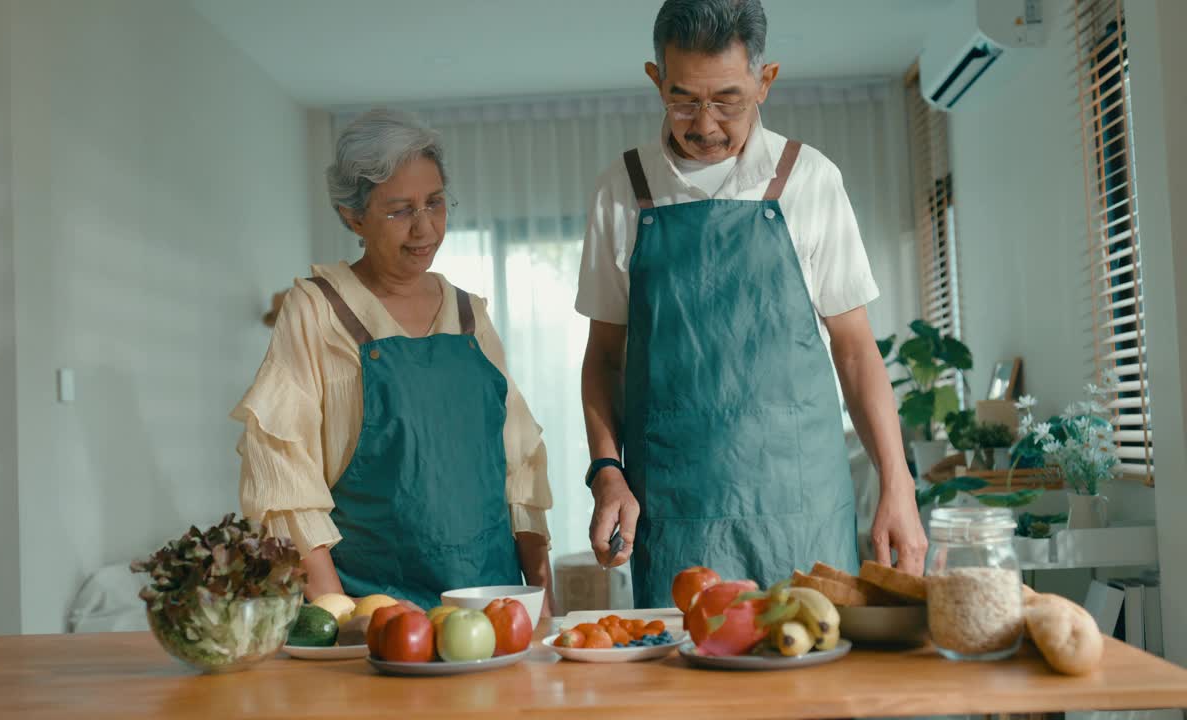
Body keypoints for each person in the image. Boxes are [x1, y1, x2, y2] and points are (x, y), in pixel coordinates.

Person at [577, 0, 926, 608]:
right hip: (674, 515)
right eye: (684, 98)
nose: (705, 123)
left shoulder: (809, 180)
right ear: (656, 79)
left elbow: (854, 348)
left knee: (811, 685)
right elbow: (604, 358)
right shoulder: (622, 191)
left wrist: (899, 488)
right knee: (690, 693)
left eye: (728, 100)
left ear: (765, 82)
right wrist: (606, 471)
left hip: (802, 513)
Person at [232, 109, 554, 616]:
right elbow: (284, 478)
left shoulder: (471, 316)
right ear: (352, 217)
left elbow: (522, 472)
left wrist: (542, 606)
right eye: (399, 210)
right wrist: (340, 615)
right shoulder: (318, 310)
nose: (424, 228)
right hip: (376, 618)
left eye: (435, 203)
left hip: (492, 611)